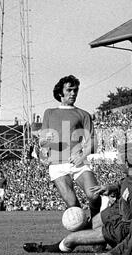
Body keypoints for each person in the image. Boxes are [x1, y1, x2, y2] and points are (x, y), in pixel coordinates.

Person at [23, 143, 132, 255]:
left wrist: (117, 252)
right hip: (116, 212)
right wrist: (112, 187)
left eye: (119, 159)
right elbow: (126, 184)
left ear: (127, 163)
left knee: (71, 239)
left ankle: (43, 249)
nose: (117, 162)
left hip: (121, 227)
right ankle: (99, 241)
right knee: (86, 227)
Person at [39, 75, 102, 223]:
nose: (73, 93)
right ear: (60, 93)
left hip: (79, 163)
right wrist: (45, 141)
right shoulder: (49, 113)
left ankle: (96, 222)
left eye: (75, 90)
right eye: (69, 90)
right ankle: (88, 234)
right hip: (57, 165)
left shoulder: (83, 114)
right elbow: (42, 141)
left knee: (94, 195)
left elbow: (93, 141)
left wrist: (82, 155)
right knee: (73, 206)